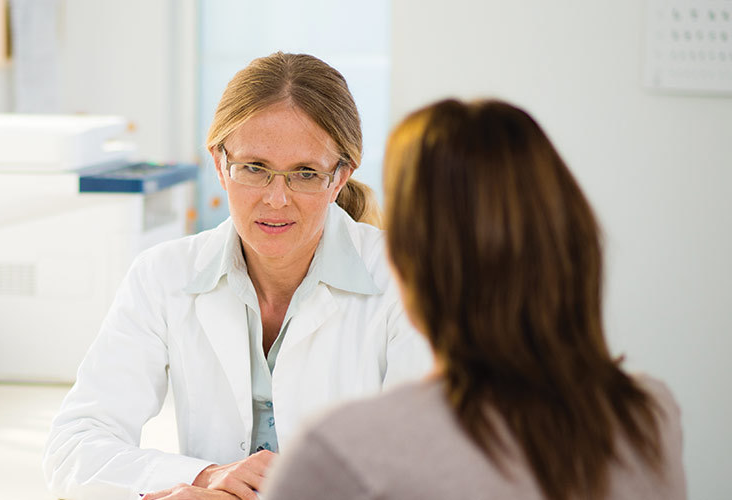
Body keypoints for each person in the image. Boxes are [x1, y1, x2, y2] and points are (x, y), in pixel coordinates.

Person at [44, 52, 433, 500]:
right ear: (219, 164)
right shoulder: (163, 277)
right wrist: (202, 477)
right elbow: (73, 446)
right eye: (254, 168)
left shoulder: (409, 282)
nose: (276, 199)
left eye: (305, 174)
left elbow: (424, 471)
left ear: (340, 177)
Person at [262, 99, 687, 499]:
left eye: (305, 173)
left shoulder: (342, 453)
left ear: (407, 262)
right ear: (573, 242)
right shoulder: (648, 414)